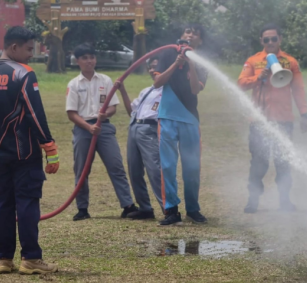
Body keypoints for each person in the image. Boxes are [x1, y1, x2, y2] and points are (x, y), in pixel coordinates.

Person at [0, 26, 59, 274]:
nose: (32, 54)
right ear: (14, 47)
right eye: (29, 49)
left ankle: (4, 259)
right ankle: (31, 259)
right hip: (24, 154)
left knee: (2, 203)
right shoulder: (23, 73)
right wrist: (50, 147)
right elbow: (35, 113)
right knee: (27, 203)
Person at [238, 23, 307, 213]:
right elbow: (241, 84)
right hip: (259, 121)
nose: (270, 42)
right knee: (259, 163)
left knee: (283, 163)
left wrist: (304, 113)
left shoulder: (290, 62)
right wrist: (258, 78)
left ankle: (285, 201)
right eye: (266, 39)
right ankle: (253, 200)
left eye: (274, 39)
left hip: (284, 120)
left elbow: (298, 89)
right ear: (261, 41)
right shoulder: (253, 61)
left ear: (280, 39)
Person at [64, 44, 136, 221]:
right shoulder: (74, 84)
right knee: (82, 170)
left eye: (92, 57)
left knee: (116, 166)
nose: (89, 61)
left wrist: (105, 115)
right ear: (77, 61)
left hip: (104, 128)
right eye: (85, 58)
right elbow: (71, 113)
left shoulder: (105, 80)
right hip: (83, 129)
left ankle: (128, 206)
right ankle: (82, 209)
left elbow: (113, 107)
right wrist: (88, 127)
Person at [153, 24, 209, 225]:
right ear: (181, 36)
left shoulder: (202, 63)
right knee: (168, 166)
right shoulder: (168, 54)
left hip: (189, 119)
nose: (190, 35)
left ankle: (193, 209)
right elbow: (157, 82)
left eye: (195, 33)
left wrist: (191, 64)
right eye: (187, 32)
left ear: (200, 41)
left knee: (192, 167)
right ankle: (171, 210)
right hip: (167, 117)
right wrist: (176, 63)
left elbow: (195, 89)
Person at [122, 58, 165, 220]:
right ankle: (145, 208)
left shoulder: (169, 91)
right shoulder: (146, 91)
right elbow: (131, 111)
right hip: (135, 126)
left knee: (154, 169)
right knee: (134, 170)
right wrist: (122, 90)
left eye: (156, 67)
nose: (153, 70)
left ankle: (168, 209)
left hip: (150, 129)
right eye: (150, 67)